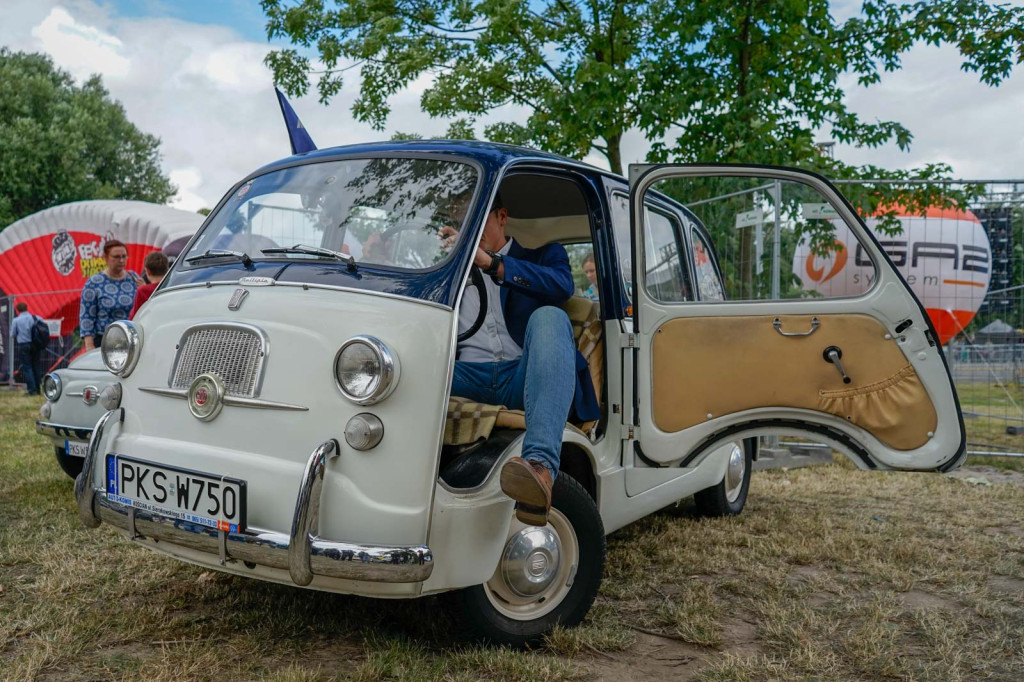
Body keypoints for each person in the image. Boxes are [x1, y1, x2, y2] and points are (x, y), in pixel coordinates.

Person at [447, 192, 600, 526]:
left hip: (525, 374)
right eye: (462, 222)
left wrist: (493, 264)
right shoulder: (448, 270)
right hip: (466, 377)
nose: (468, 229)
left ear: (502, 217)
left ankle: (539, 469)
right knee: (405, 367)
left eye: (477, 219)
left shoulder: (545, 254)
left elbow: (561, 286)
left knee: (549, 316)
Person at [80, 239, 140, 351]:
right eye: (116, 257)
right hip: (105, 341)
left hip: (132, 339)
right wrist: (89, 345)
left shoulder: (134, 278)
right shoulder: (94, 282)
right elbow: (86, 316)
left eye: (124, 256)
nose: (121, 260)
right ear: (105, 258)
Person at [10, 301, 42, 394]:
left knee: (27, 368)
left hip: (23, 345)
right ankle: (38, 389)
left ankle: (32, 390)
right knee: (36, 366)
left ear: (18, 310)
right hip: (35, 345)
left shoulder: (16, 320)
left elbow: (12, 334)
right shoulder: (36, 318)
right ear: (27, 308)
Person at [130, 251, 169, 318]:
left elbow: (135, 316)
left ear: (147, 271)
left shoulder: (142, 291)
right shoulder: (172, 286)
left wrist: (144, 288)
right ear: (167, 269)